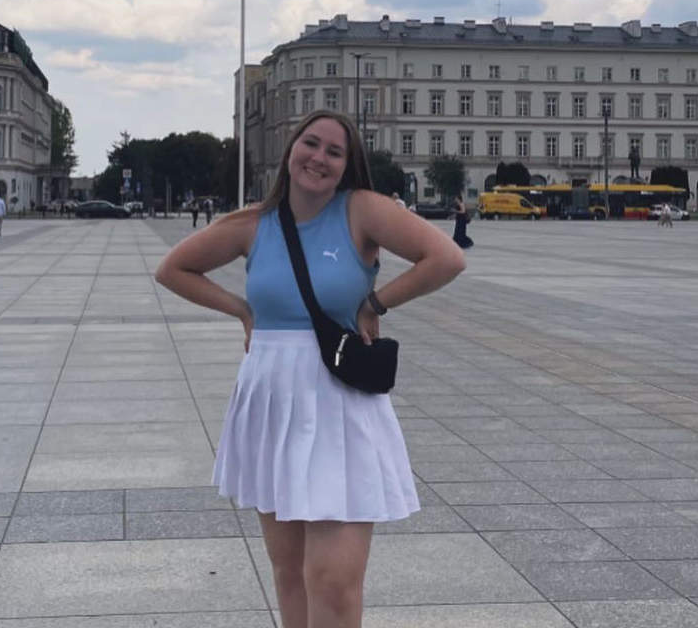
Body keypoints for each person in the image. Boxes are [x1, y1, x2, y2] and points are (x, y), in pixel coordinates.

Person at [155, 110, 465, 628]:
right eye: (311, 143)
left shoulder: (361, 210)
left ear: (347, 167)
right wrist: (242, 309)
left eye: (334, 152)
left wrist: (375, 304)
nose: (318, 158)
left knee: (334, 582)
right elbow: (173, 269)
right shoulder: (255, 223)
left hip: (337, 402)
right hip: (271, 400)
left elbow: (446, 258)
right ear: (291, 148)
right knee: (291, 571)